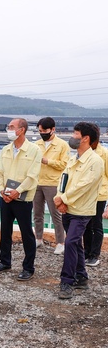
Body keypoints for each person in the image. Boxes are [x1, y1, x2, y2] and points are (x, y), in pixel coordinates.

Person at [54, 122, 103, 299]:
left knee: (69, 243)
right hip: (67, 208)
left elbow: (84, 186)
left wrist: (63, 199)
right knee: (75, 244)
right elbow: (63, 179)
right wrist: (59, 198)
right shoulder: (73, 158)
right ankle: (82, 277)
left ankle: (67, 281)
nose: (72, 137)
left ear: (85, 138)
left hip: (82, 211)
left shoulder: (95, 161)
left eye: (75, 133)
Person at [0, 118, 42, 281]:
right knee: (5, 230)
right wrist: (1, 189)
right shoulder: (6, 149)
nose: (9, 129)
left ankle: (28, 267)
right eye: (8, 127)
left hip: (23, 198)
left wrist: (17, 191)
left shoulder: (34, 150)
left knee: (26, 232)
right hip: (5, 196)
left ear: (22, 130)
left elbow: (33, 176)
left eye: (12, 127)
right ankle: (4, 261)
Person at [33, 117, 69, 255]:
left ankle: (60, 242)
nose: (42, 133)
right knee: (37, 213)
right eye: (40, 131)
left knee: (56, 215)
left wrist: (47, 161)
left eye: (45, 130)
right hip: (37, 182)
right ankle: (38, 238)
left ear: (53, 129)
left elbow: (64, 164)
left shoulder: (62, 145)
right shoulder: (36, 144)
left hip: (53, 183)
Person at [84, 124, 108, 267]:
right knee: (85, 224)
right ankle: (86, 252)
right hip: (85, 195)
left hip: (99, 194)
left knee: (96, 224)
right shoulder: (82, 152)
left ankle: (94, 254)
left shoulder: (103, 153)